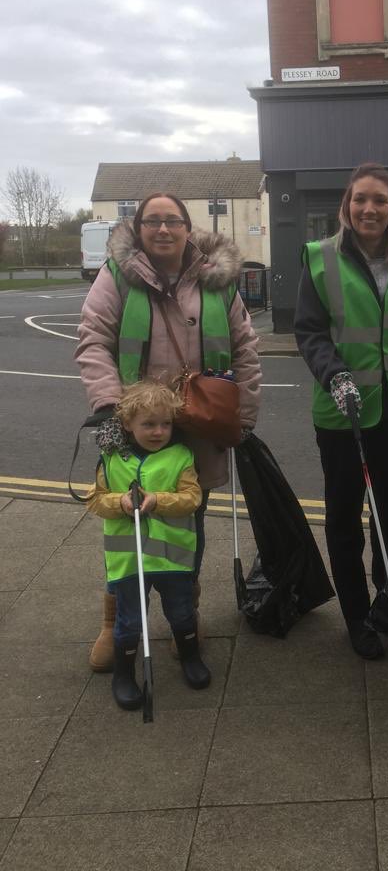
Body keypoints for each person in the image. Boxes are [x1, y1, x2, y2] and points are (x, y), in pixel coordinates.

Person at [76, 192, 262, 671]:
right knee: (124, 522)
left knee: (187, 523)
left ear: (187, 226)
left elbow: (244, 349)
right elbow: (93, 338)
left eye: (172, 221)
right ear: (138, 229)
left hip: (198, 425)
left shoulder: (217, 281)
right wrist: (107, 407)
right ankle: (114, 619)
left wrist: (242, 415)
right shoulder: (116, 276)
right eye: (152, 221)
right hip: (133, 422)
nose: (162, 229)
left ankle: (185, 617)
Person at [294, 163, 388, 660]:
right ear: (347, 206)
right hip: (343, 416)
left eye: (379, 200)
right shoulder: (319, 258)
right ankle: (357, 617)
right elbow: (310, 332)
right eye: (360, 199)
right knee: (344, 518)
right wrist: (334, 375)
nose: (369, 209)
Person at [86, 381, 209, 708]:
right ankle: (124, 674)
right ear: (127, 424)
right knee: (129, 620)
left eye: (165, 424)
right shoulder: (111, 459)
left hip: (172, 558)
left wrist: (158, 500)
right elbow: (96, 501)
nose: (158, 432)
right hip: (129, 560)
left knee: (182, 613)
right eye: (149, 424)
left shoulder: (181, 456)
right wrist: (121, 503)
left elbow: (192, 498)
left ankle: (190, 657)